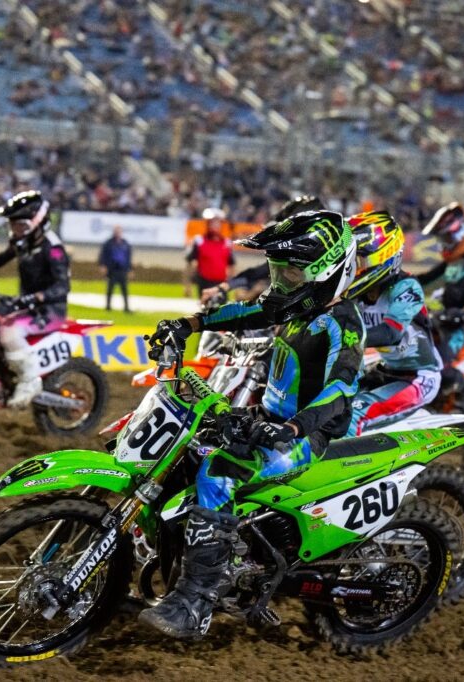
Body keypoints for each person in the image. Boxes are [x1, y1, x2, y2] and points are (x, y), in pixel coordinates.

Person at [139, 210, 363, 638]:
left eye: (292, 273)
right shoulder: (297, 305)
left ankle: (195, 604)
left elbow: (341, 389)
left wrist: (294, 428)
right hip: (269, 419)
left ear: (329, 272)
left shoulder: (343, 323)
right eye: (278, 271)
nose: (280, 282)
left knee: (218, 475)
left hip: (306, 436)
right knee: (188, 450)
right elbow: (247, 311)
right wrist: (191, 324)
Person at [0, 190, 70, 408]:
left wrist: (38, 296)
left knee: (9, 330)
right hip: (26, 304)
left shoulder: (53, 248)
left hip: (49, 310)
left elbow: (63, 286)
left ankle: (30, 381)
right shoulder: (23, 243)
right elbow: (0, 259)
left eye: (18, 224)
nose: (14, 229)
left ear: (36, 221)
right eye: (12, 225)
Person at [343, 211, 443, 435]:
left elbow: (390, 333)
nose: (353, 268)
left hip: (419, 378)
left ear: (383, 256)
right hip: (385, 371)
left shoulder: (406, 287)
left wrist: (340, 335)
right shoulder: (356, 295)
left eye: (359, 260)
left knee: (351, 416)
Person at [415, 202, 464, 406]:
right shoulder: (452, 261)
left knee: (439, 361)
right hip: (447, 315)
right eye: (442, 239)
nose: (444, 243)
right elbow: (426, 278)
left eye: (447, 238)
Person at [200, 195, 326, 304]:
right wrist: (224, 287)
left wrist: (256, 292)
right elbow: (257, 273)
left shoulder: (317, 264)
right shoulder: (290, 258)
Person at [185, 208, 235, 298]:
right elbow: (189, 263)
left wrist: (233, 286)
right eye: (212, 222)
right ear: (208, 224)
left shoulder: (227, 243)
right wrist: (187, 286)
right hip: (204, 283)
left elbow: (231, 265)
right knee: (207, 310)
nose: (215, 225)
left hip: (221, 284)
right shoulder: (199, 241)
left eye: (217, 222)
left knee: (222, 310)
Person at [98, 225, 132, 312]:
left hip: (122, 269)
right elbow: (103, 255)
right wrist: (102, 265)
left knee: (124, 289)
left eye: (119, 232)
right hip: (112, 269)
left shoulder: (125, 243)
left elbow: (128, 257)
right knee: (110, 288)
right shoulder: (108, 243)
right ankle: (108, 306)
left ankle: (126, 307)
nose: (117, 233)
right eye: (116, 231)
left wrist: (130, 269)